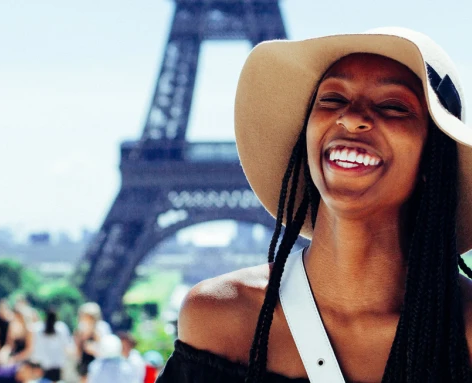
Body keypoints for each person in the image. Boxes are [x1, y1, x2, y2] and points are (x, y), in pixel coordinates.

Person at [162, 27, 472, 382]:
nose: (351, 117)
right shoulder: (218, 319)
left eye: (393, 106)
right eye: (332, 99)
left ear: (434, 160)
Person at [31, 308, 71, 383]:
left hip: (41, 366)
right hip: (56, 367)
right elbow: (67, 346)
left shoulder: (38, 328)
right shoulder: (61, 328)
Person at [73, 303, 109, 383]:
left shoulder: (101, 327)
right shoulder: (80, 328)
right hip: (84, 364)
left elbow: (104, 347)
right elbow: (77, 347)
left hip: (98, 364)